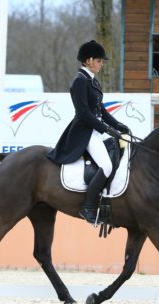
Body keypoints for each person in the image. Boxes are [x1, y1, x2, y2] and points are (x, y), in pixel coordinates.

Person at [47, 40, 130, 224]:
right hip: (84, 132)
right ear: (89, 60)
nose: (101, 64)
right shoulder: (79, 81)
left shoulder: (92, 81)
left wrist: (118, 126)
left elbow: (101, 110)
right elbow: (84, 113)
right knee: (107, 166)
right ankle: (88, 207)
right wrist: (106, 129)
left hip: (95, 131)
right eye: (100, 61)